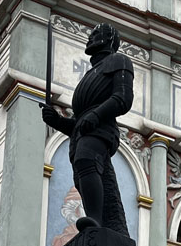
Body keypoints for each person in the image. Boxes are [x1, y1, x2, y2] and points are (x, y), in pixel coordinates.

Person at [41, 23, 133, 234]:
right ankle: (103, 223)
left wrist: (96, 115)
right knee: (84, 175)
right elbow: (79, 125)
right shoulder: (92, 73)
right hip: (84, 133)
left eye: (96, 34)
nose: (90, 37)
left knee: (86, 160)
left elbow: (123, 98)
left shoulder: (119, 61)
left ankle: (95, 221)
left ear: (109, 39)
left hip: (102, 129)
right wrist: (57, 121)